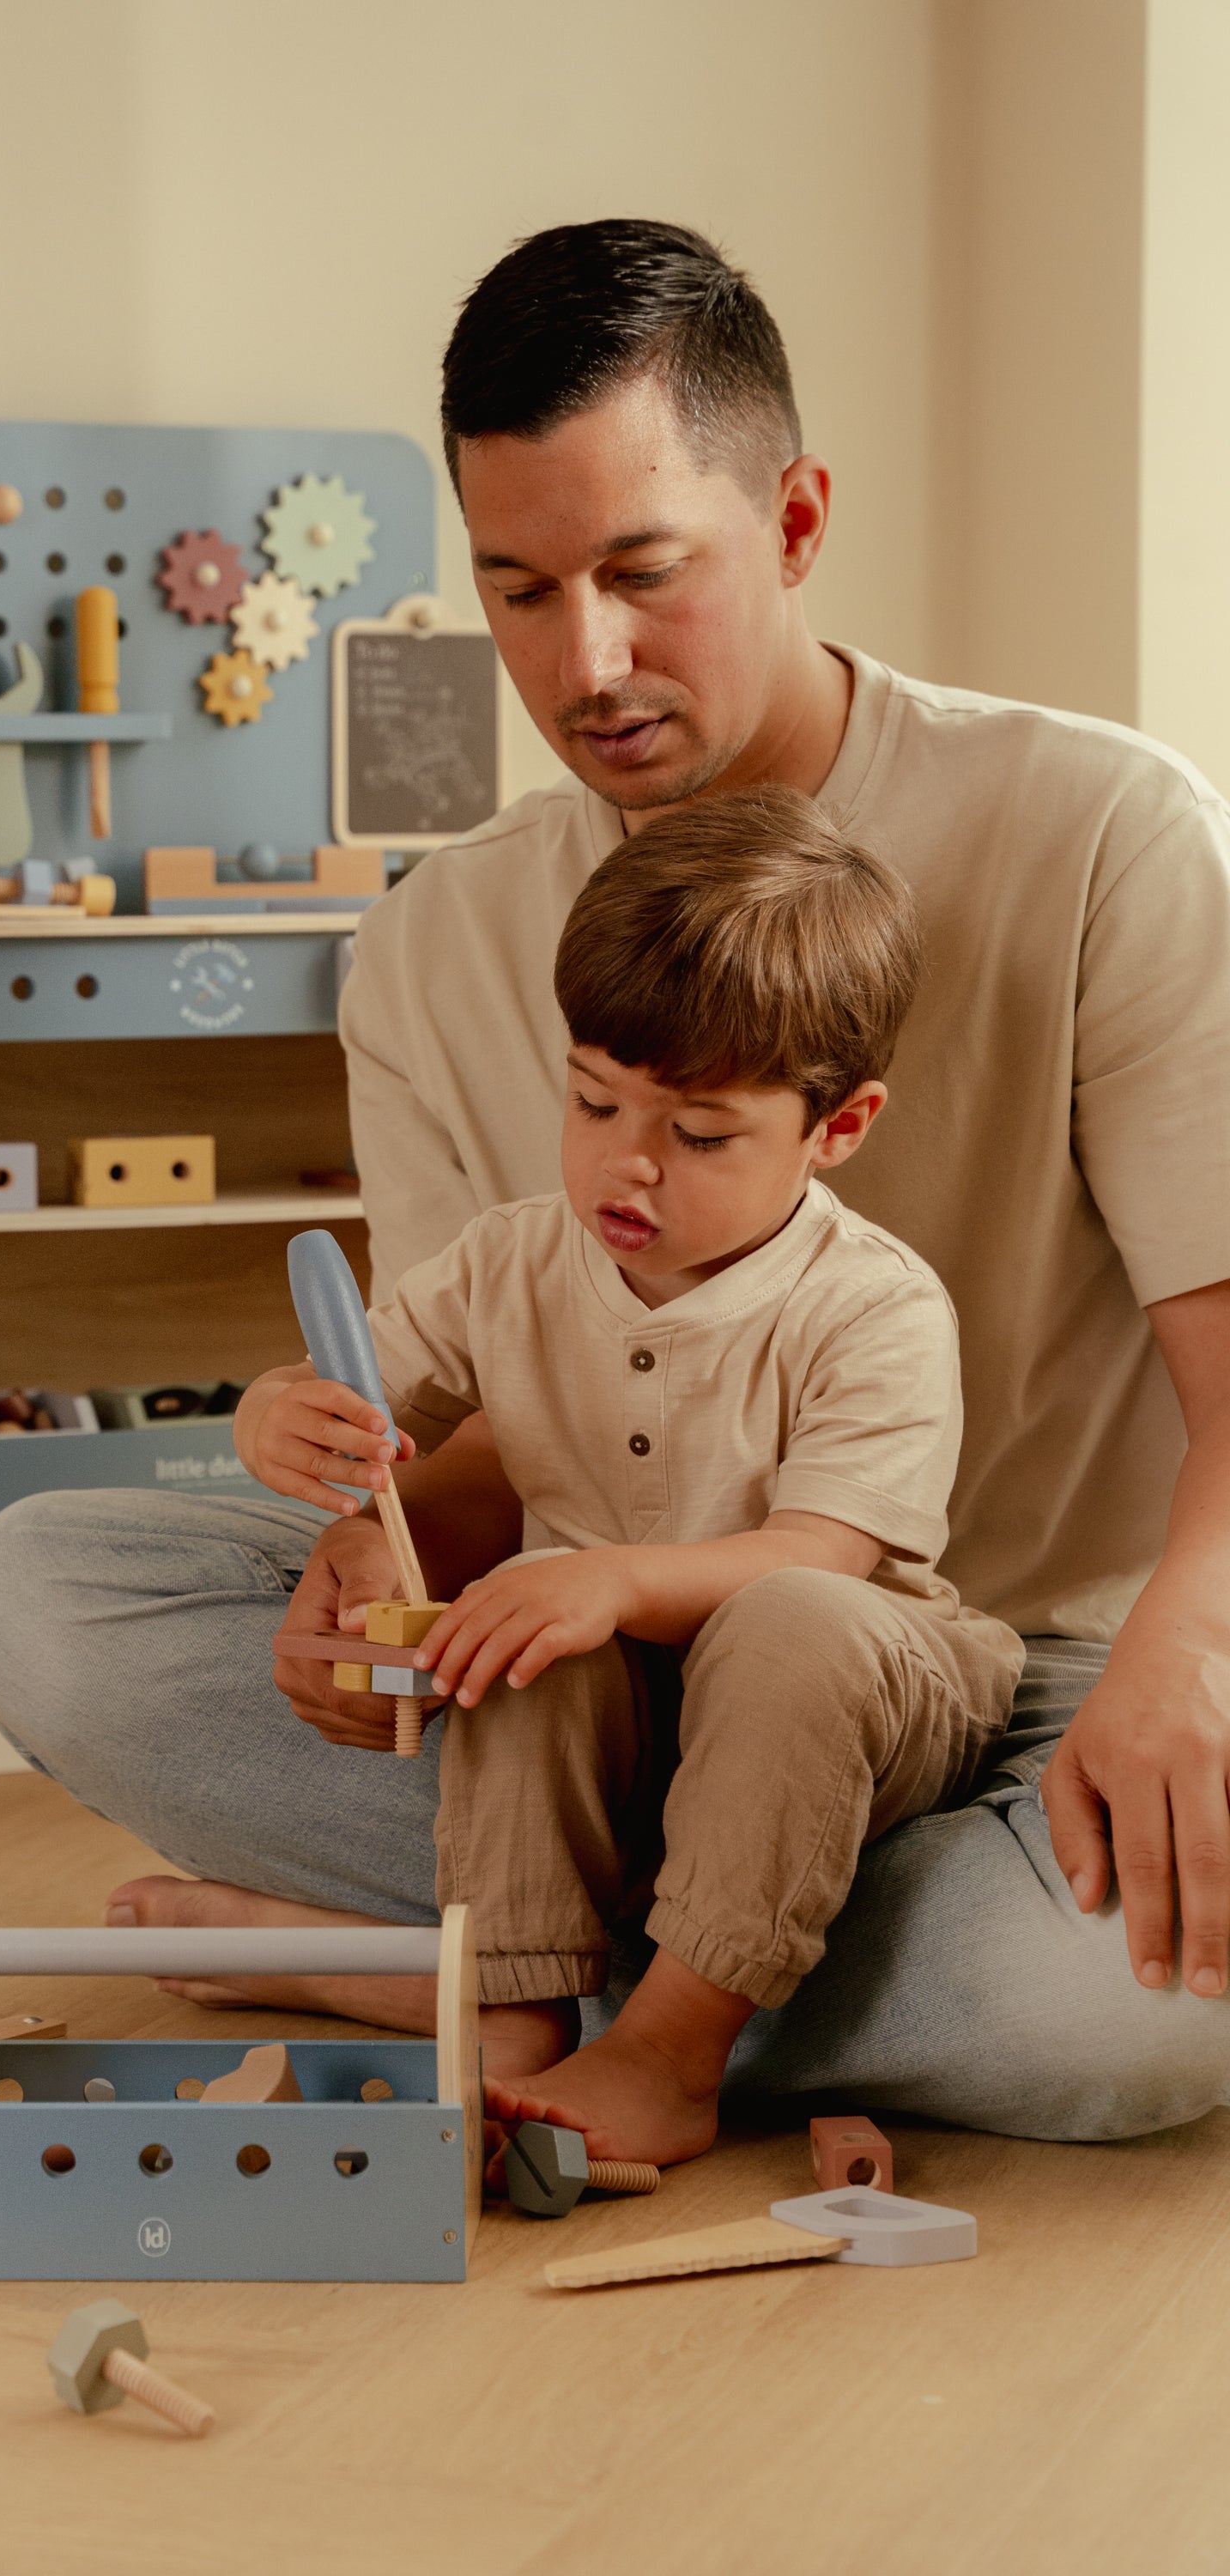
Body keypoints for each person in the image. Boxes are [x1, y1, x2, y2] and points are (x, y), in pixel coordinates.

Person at [0, 220, 1230, 2142]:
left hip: (1013, 1685)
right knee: (42, 1592)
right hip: (596, 1683)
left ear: (794, 519)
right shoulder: (431, 946)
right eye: (521, 589)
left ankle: (455, 1973)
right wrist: (362, 1572)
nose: (589, 662)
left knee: (1149, 2008)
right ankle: (659, 1978)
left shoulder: (1099, 830)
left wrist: (1184, 1662)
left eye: (645, 574)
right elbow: (478, 1444)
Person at [234, 793, 1024, 2162]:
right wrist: (283, 1426)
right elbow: (358, 1397)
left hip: (851, 1691)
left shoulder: (873, 1308)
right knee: (517, 1622)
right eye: (594, 1100)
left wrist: (607, 1578)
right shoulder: (509, 1260)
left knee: (770, 1620)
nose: (629, 1163)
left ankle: (670, 2049)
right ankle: (514, 2020)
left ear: (837, 1130)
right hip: (622, 1721)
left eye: (703, 1137)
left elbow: (827, 1561)